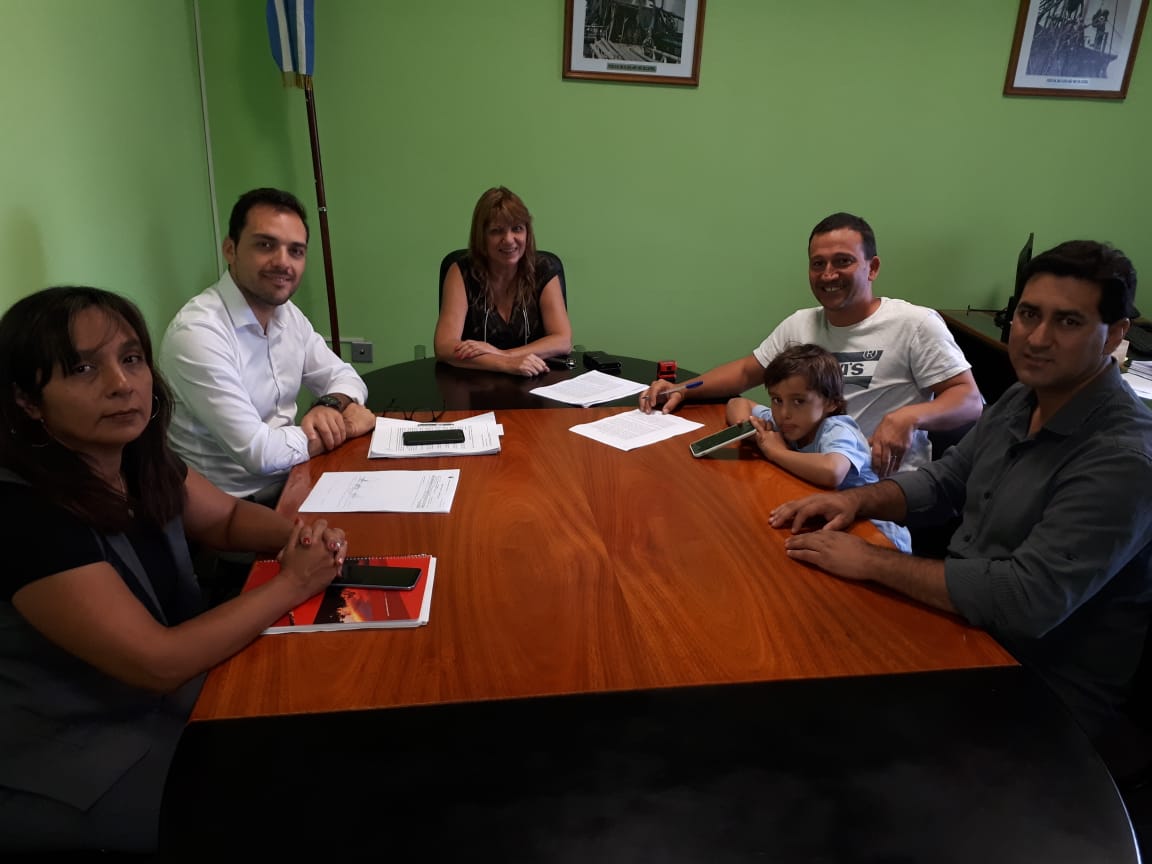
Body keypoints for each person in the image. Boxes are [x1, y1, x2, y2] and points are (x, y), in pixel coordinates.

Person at [0, 286, 350, 852]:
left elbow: (227, 519)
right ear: (27, 401)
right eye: (83, 368)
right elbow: (157, 662)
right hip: (82, 758)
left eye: (131, 358)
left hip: (177, 699)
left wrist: (299, 536)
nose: (122, 383)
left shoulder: (135, 457)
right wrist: (293, 581)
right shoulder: (23, 513)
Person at [769, 240, 1152, 744]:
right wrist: (854, 500)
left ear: (1115, 335)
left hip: (1040, 693)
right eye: (1029, 314)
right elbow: (945, 480)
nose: (1037, 338)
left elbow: (1024, 599)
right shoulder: (1022, 398)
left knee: (821, 729)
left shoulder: (1123, 457)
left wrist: (872, 561)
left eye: (1068, 321)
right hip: (964, 632)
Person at [640, 212, 983, 475]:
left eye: (843, 261)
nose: (828, 274)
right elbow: (746, 371)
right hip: (803, 469)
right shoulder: (800, 324)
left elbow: (969, 401)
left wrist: (909, 417)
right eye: (818, 264)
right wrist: (682, 389)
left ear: (872, 268)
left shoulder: (915, 324)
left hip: (879, 486)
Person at [160, 187, 376, 502]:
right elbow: (259, 453)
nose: (282, 262)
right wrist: (345, 425)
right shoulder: (198, 333)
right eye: (265, 245)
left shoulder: (288, 315)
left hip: (294, 477)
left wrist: (329, 405)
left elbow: (344, 376)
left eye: (296, 251)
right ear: (230, 249)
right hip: (230, 507)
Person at [727, 344, 911, 552]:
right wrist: (753, 429)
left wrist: (776, 452)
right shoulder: (789, 423)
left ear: (831, 403)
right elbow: (736, 404)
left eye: (798, 401)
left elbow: (832, 472)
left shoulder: (837, 429)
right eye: (777, 400)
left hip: (876, 536)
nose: (784, 413)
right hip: (827, 520)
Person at [433, 186, 573, 377]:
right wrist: (505, 364)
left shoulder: (544, 268)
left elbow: (562, 340)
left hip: (536, 382)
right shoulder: (462, 271)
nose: (508, 239)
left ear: (527, 232)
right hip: (475, 386)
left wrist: (506, 355)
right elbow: (444, 346)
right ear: (481, 236)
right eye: (496, 231)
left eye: (517, 229)